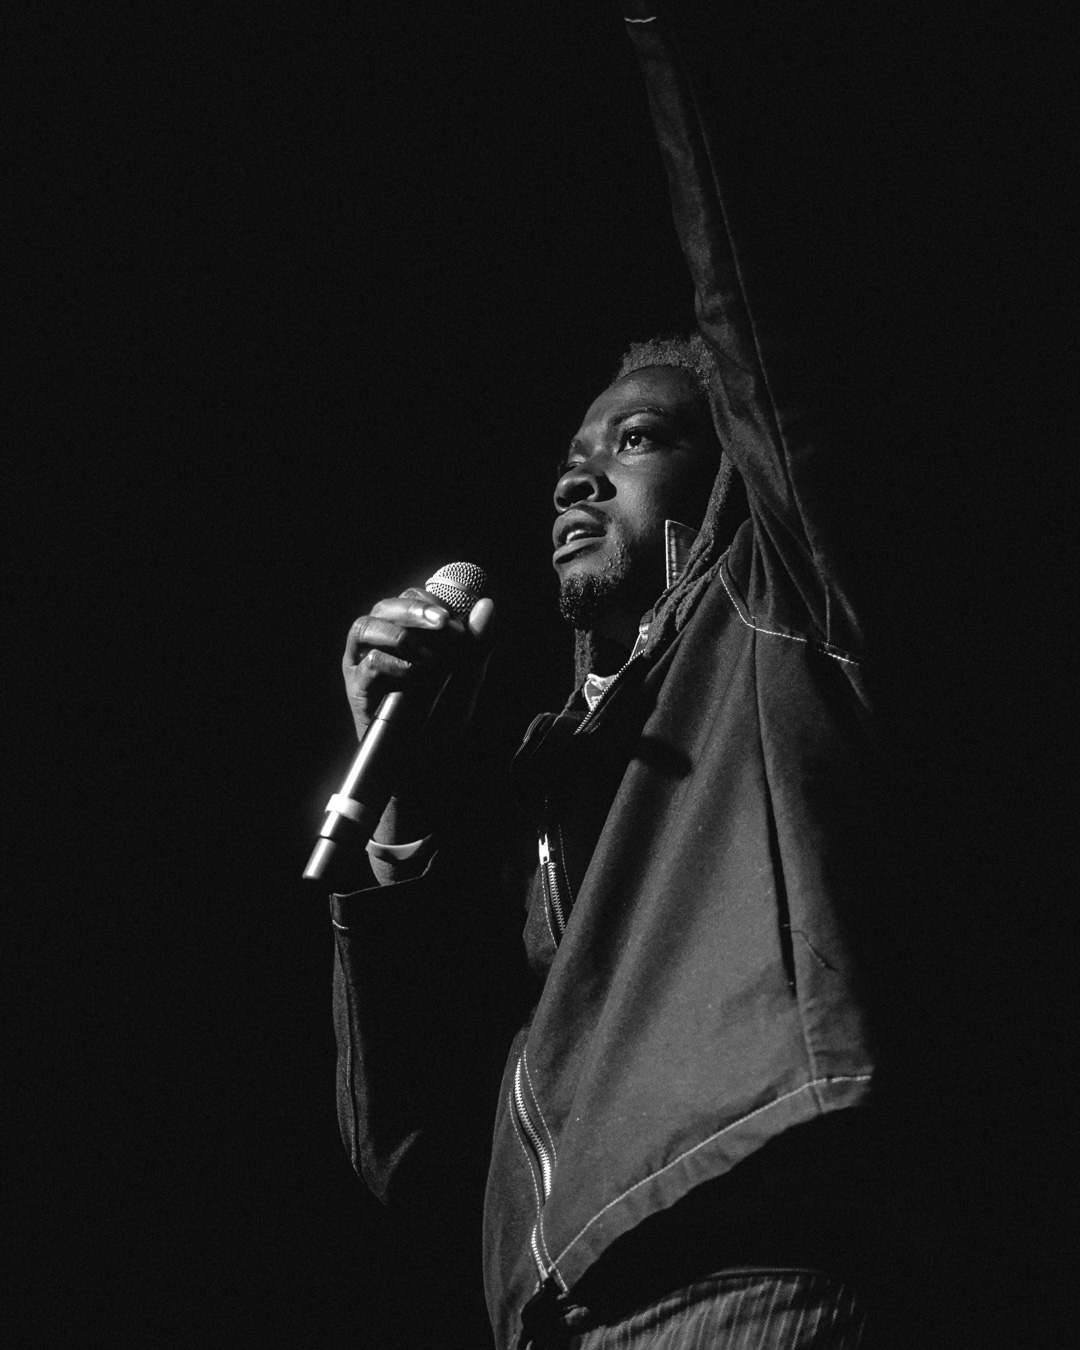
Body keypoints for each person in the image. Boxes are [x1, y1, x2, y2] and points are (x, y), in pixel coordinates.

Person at [330, 6, 917, 1347]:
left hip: (744, 1274)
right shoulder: (544, 775)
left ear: (730, 473)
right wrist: (405, 806)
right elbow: (407, 1150)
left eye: (638, 440)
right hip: (566, 1315)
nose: (578, 478)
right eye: (571, 460)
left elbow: (755, 288)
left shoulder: (773, 613)